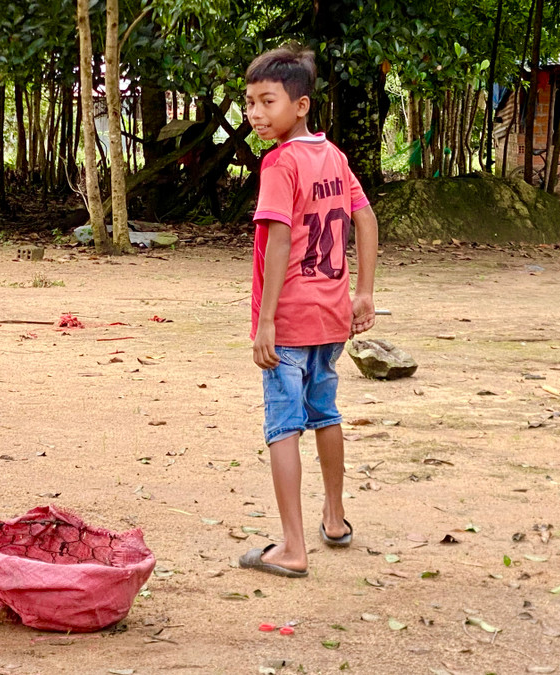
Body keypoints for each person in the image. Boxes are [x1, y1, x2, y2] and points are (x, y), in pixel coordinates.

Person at [237, 45, 378, 577]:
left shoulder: (280, 163)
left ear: (300, 105)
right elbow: (366, 220)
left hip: (290, 319)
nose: (255, 113)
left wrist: (266, 321)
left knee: (283, 426)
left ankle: (293, 548)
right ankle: (334, 520)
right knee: (325, 413)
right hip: (331, 316)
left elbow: (278, 240)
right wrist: (363, 292)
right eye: (250, 102)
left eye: (266, 101)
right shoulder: (333, 156)